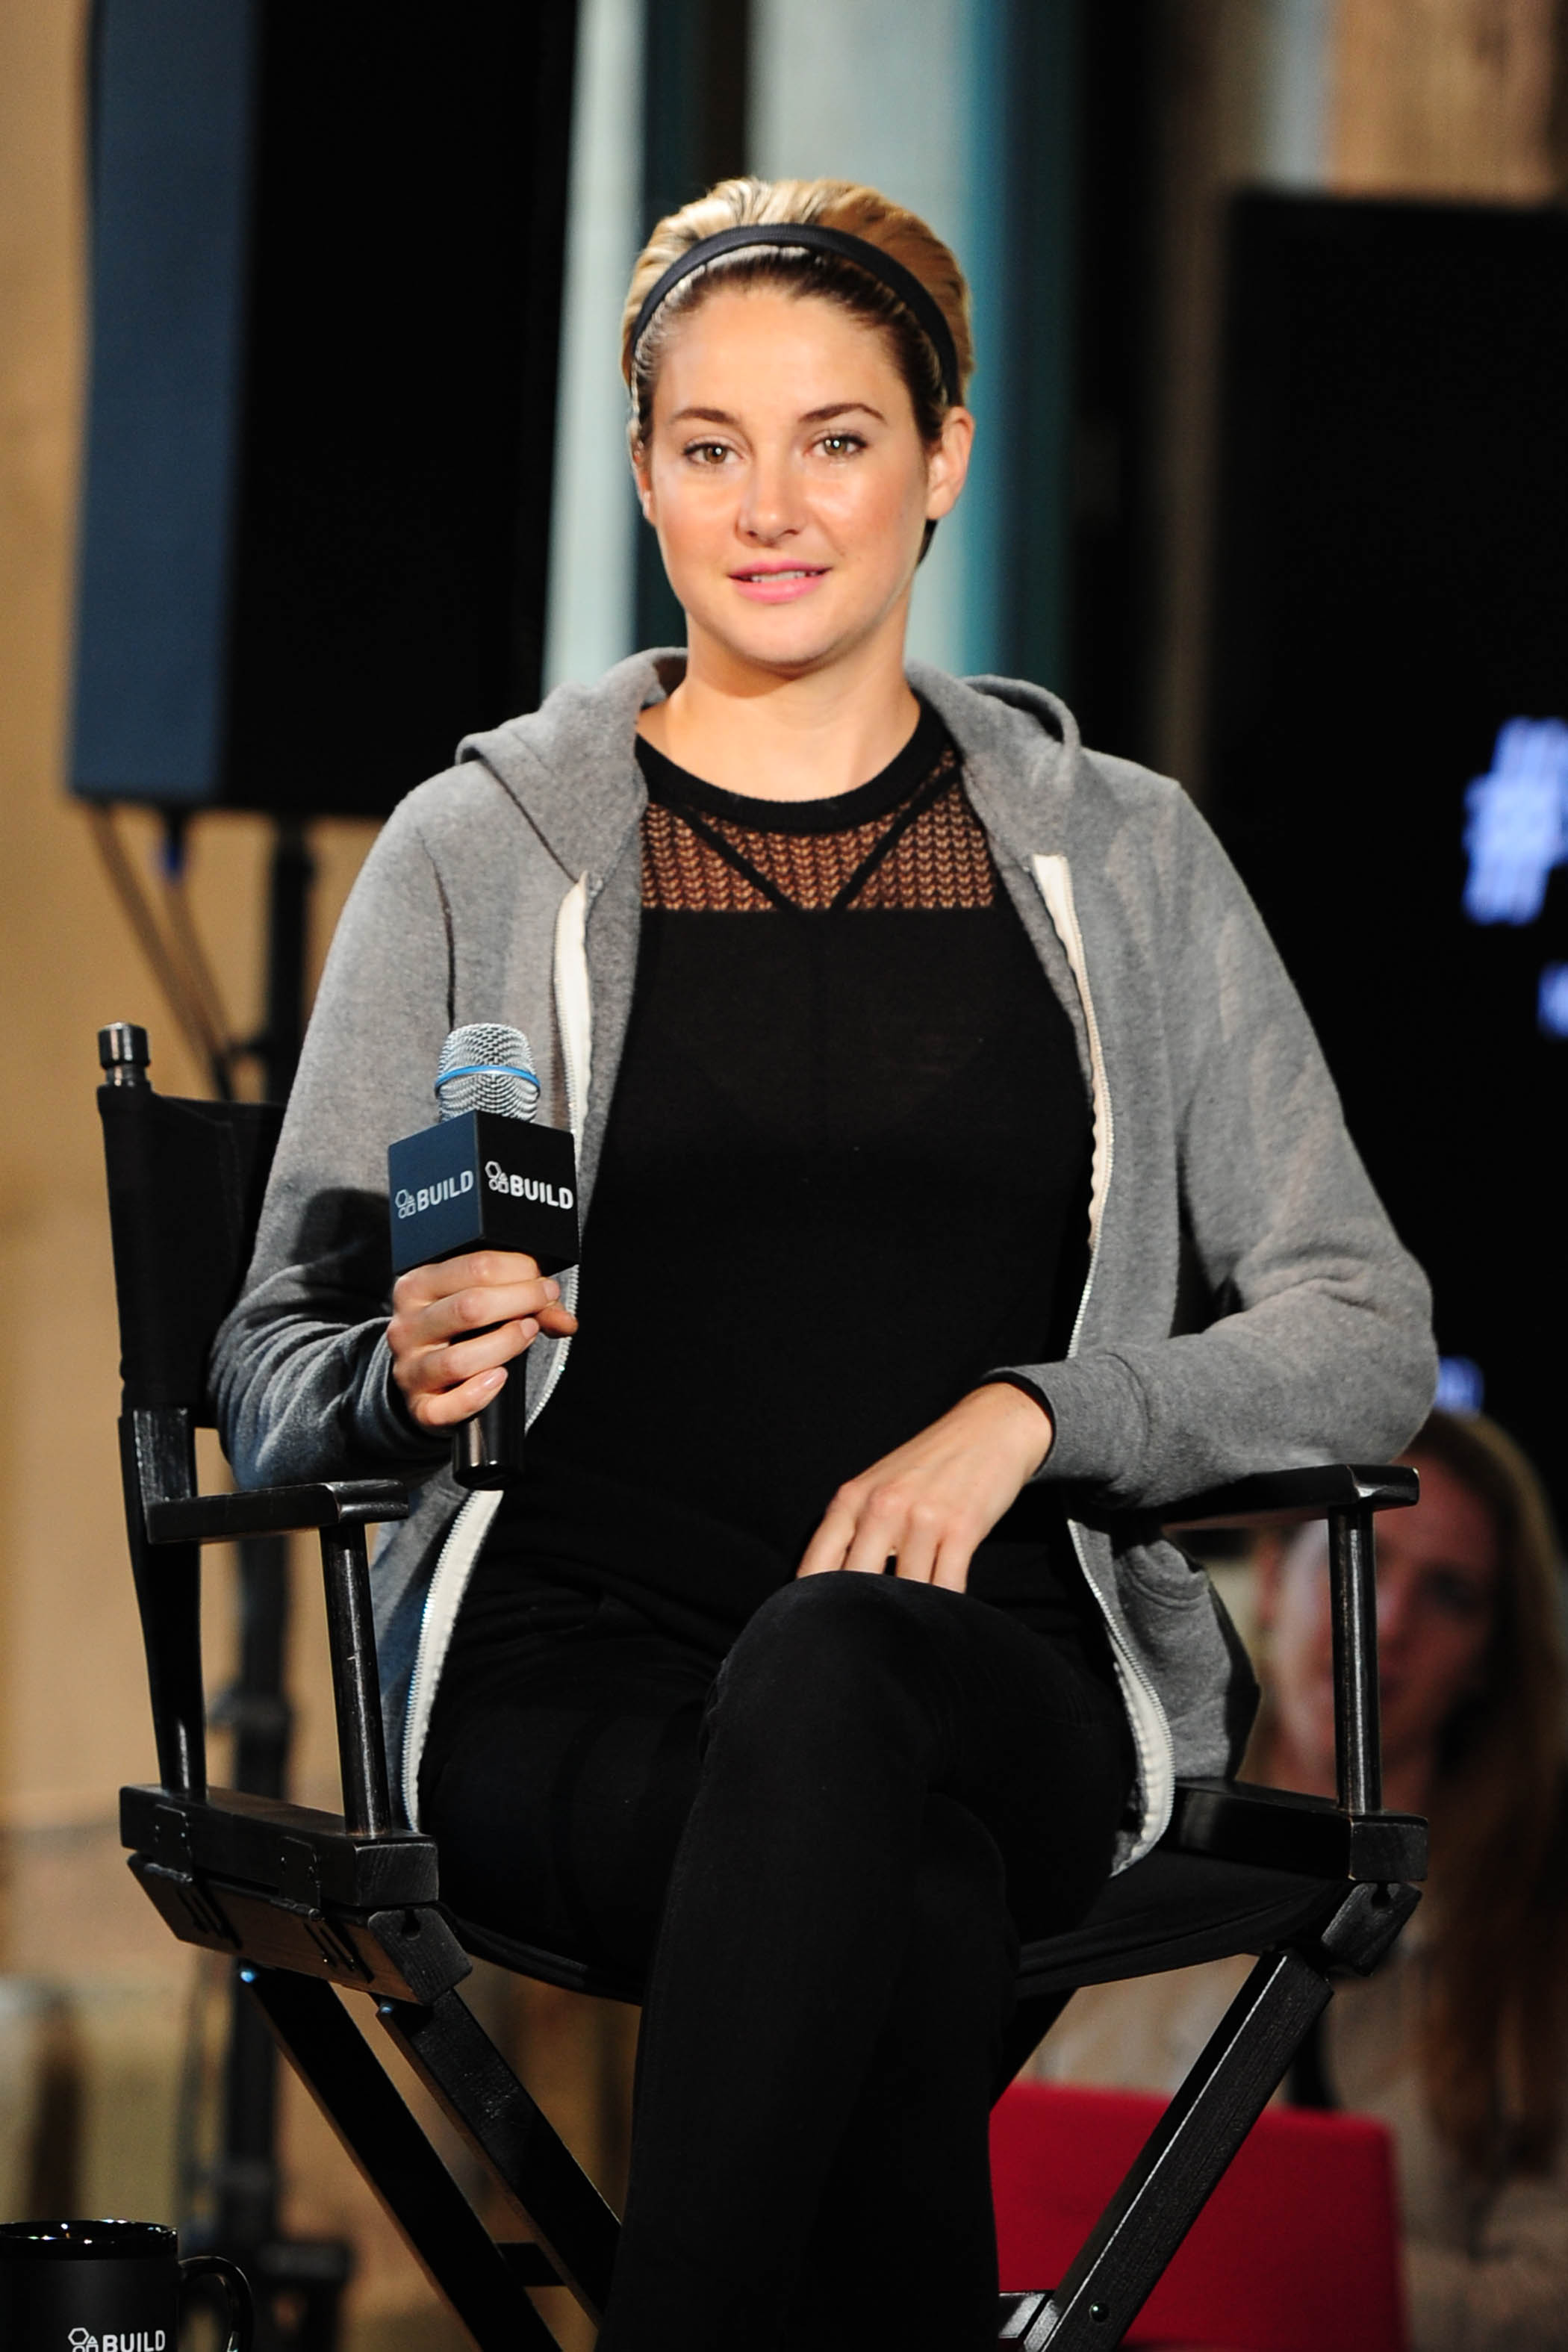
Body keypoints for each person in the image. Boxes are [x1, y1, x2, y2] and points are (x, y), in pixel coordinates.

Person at [211, 175, 1436, 2351]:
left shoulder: (1127, 858)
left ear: (943, 457)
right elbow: (271, 1356)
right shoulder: (478, 848)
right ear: (643, 469)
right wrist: (394, 1372)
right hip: (564, 1684)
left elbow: (1363, 1333)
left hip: (1001, 1675)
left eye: (837, 439)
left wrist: (1036, 1416)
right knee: (909, 1903)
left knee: (842, 1666)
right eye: (711, 444)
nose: (770, 506)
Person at [1030, 1408, 1568, 2351]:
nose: (1387, 1622)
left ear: (1490, 1658)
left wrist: (1261, 2271)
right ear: (1275, 1578)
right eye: (1362, 1559)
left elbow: (1548, 2301)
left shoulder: (1535, 1962)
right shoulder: (1104, 1862)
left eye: (1450, 1594)